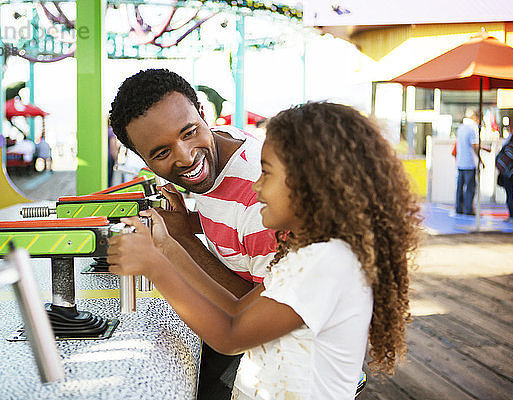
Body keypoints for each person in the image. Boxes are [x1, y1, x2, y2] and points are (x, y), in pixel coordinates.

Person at [107, 102, 422, 399]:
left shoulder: (326, 263)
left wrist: (157, 266)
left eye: (266, 172)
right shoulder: (307, 254)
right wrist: (167, 245)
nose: (255, 185)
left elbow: (230, 336)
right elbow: (235, 308)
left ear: (311, 184)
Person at [109, 69, 276, 399]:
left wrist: (178, 243)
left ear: (202, 114)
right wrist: (191, 223)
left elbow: (254, 313)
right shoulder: (222, 140)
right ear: (142, 159)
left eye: (188, 133)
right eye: (161, 153)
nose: (185, 156)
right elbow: (229, 218)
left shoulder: (264, 196)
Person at [453, 109, 488, 215]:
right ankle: (468, 209)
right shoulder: (473, 128)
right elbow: (474, 146)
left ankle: (459, 208)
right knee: (470, 188)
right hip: (469, 162)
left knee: (460, 187)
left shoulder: (461, 128)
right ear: (475, 117)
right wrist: (481, 161)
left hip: (460, 162)